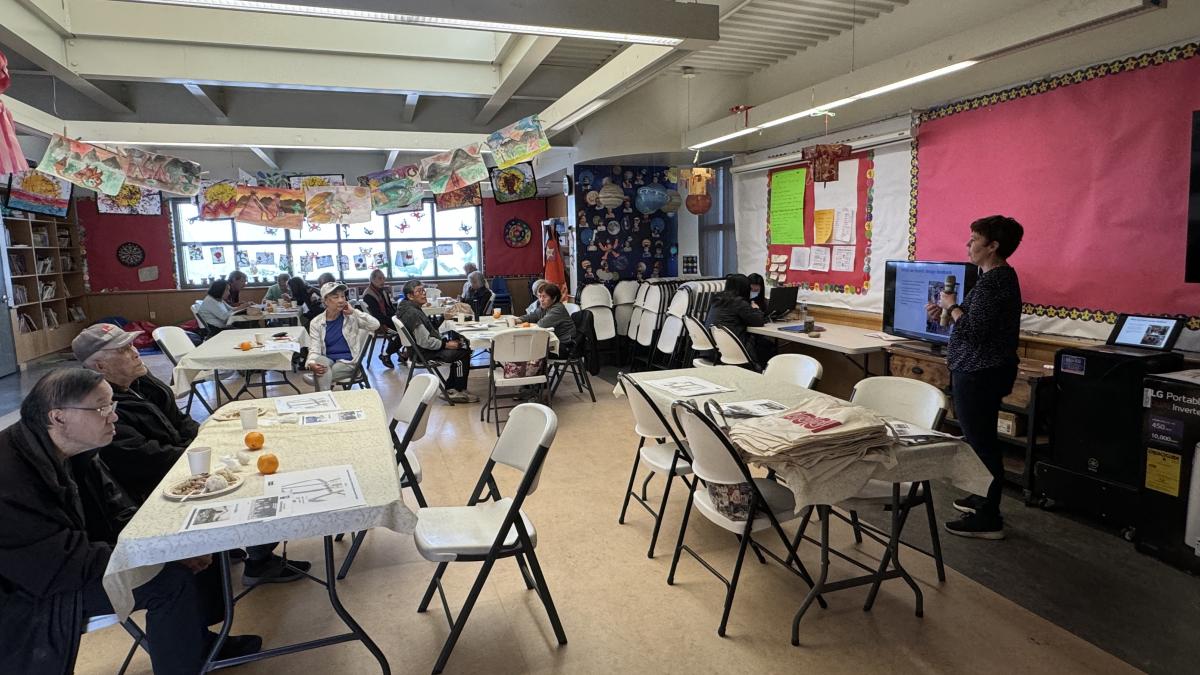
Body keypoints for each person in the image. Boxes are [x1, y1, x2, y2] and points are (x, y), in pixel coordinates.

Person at [0, 369, 258, 674]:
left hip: (68, 562)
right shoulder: (11, 476)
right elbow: (59, 563)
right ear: (58, 418)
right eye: (101, 408)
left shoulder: (72, 451)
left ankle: (199, 643)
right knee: (170, 580)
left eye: (113, 406)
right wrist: (157, 556)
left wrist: (170, 545)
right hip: (30, 592)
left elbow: (117, 512)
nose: (114, 417)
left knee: (188, 538)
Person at [72, 324, 308, 583]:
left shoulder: (141, 382)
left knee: (257, 453)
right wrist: (202, 456)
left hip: (179, 462)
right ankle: (258, 561)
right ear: (100, 366)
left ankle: (230, 545)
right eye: (124, 350)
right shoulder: (101, 408)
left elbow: (179, 419)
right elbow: (143, 457)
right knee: (256, 478)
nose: (135, 352)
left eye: (132, 345)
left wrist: (206, 442)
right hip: (159, 485)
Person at [927, 215, 1024, 540]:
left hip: (980, 372)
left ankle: (989, 515)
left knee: (982, 443)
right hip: (974, 369)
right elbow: (968, 324)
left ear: (993, 246)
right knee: (975, 438)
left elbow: (975, 330)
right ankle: (981, 495)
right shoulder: (989, 279)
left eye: (973, 240)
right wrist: (945, 312)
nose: (968, 245)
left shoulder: (997, 281)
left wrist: (953, 307)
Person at [395, 280, 478, 403]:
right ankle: (458, 390)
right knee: (463, 352)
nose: (423, 294)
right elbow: (425, 341)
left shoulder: (408, 307)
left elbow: (428, 330)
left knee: (459, 346)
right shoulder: (412, 313)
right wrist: (445, 344)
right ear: (410, 296)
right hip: (423, 352)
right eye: (419, 291)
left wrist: (442, 318)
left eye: (423, 290)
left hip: (419, 350)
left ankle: (452, 389)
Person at [306, 282, 380, 391]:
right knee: (321, 362)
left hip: (349, 362)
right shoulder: (316, 322)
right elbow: (315, 348)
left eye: (342, 296)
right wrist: (311, 363)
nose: (341, 300)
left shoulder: (351, 317)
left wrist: (354, 312)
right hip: (328, 360)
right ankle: (325, 396)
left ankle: (323, 398)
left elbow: (375, 325)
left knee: (323, 374)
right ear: (325, 301)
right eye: (335, 297)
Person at [705, 273, 772, 367]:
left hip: (712, 349)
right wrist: (756, 309)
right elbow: (758, 321)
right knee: (766, 346)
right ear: (744, 288)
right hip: (732, 351)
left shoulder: (717, 299)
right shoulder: (739, 302)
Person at [519, 282, 575, 352]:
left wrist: (528, 324)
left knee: (530, 348)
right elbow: (533, 316)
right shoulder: (545, 306)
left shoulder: (558, 309)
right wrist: (518, 320)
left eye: (544, 296)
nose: (541, 300)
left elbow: (542, 325)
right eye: (540, 296)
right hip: (554, 341)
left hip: (565, 345)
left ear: (554, 298)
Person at [362, 269, 400, 368]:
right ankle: (386, 354)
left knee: (408, 325)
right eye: (380, 278)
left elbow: (390, 308)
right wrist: (395, 320)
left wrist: (398, 316)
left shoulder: (383, 291)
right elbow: (377, 316)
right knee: (406, 330)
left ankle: (405, 354)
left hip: (388, 319)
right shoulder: (368, 295)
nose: (383, 281)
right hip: (380, 323)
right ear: (372, 279)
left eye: (383, 278)